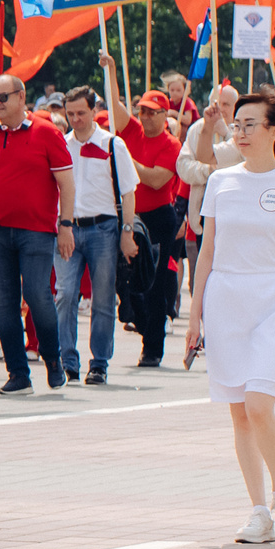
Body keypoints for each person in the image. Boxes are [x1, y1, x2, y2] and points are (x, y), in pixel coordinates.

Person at [182, 85, 275, 542]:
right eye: (236, 125)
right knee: (239, 413)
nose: (239, 132)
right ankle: (258, 511)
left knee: (260, 403)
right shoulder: (221, 181)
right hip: (225, 302)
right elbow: (207, 252)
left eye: (249, 124)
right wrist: (194, 317)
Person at [0, 74, 75, 395]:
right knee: (4, 304)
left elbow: (67, 185)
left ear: (21, 97)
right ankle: (18, 374)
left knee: (37, 294)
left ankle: (53, 358)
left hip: (37, 231)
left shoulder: (47, 133)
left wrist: (66, 225)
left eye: (3, 97)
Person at [57, 81, 138, 386]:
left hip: (104, 228)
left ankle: (99, 362)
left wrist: (126, 231)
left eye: (81, 113)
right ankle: (67, 360)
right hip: (67, 227)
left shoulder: (112, 144)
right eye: (70, 114)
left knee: (103, 298)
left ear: (94, 111)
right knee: (65, 295)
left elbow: (129, 192)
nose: (75, 119)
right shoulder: (62, 144)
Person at [118, 91, 184, 367]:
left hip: (158, 219)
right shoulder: (133, 131)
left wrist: (127, 161)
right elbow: (115, 107)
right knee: (126, 281)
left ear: (163, 116)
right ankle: (144, 325)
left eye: (150, 112)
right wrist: (110, 69)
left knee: (155, 285)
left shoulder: (171, 145)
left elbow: (157, 180)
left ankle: (153, 348)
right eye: (141, 111)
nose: (143, 117)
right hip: (131, 216)